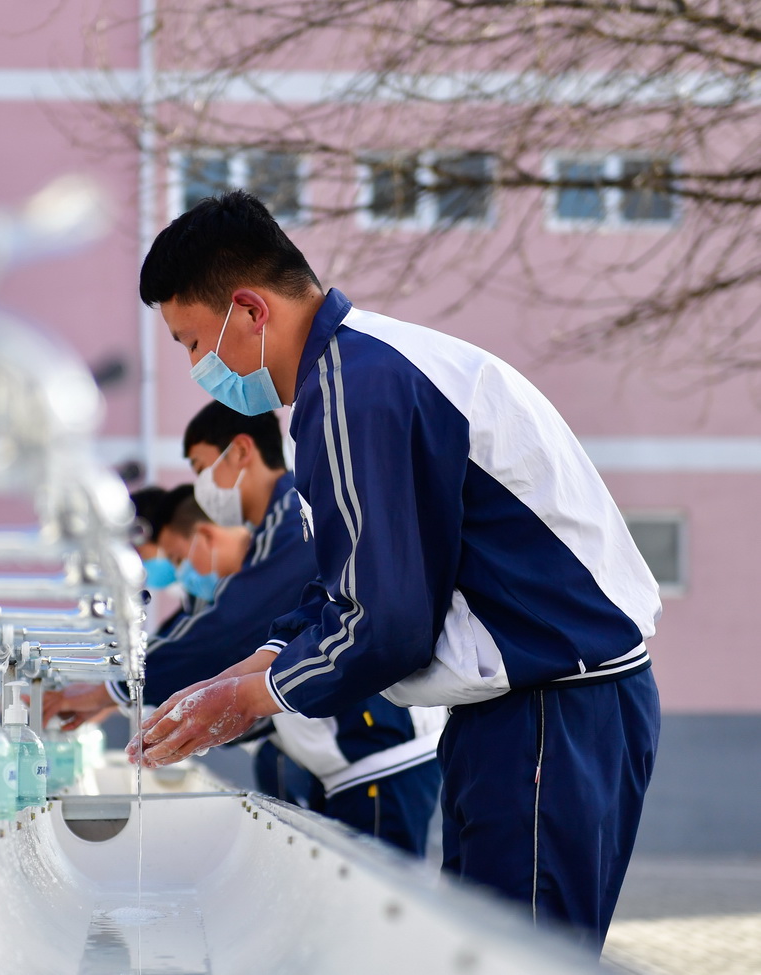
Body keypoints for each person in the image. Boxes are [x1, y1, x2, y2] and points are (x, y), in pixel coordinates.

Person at [131, 189, 661, 949]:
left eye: (190, 342)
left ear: (248, 309)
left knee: (524, 957)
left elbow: (388, 623)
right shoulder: (352, 376)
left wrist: (248, 697)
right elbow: (348, 585)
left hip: (554, 709)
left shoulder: (359, 388)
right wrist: (248, 669)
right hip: (519, 709)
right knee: (486, 950)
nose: (196, 368)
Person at [50, 403, 442, 854]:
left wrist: (118, 689)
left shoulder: (293, 518)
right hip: (343, 758)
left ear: (240, 452)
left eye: (199, 467)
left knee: (375, 909)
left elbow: (227, 628)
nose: (201, 486)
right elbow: (265, 629)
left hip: (375, 752)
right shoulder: (272, 530)